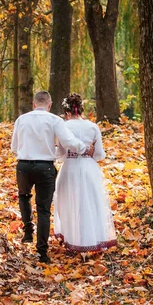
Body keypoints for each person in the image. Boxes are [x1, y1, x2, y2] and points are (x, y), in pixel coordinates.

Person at [11, 91, 94, 263]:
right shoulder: (54, 120)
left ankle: (28, 232)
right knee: (43, 209)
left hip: (23, 166)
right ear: (49, 105)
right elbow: (69, 141)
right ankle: (42, 253)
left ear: (34, 104)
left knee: (24, 196)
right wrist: (85, 148)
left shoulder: (21, 120)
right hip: (44, 168)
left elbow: (14, 147)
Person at [54, 93, 117, 253]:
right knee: (90, 204)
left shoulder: (64, 127)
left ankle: (73, 240)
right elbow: (99, 155)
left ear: (67, 111)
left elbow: (60, 154)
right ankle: (91, 239)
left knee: (70, 203)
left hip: (70, 168)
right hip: (89, 169)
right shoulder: (92, 127)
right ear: (81, 109)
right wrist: (90, 151)